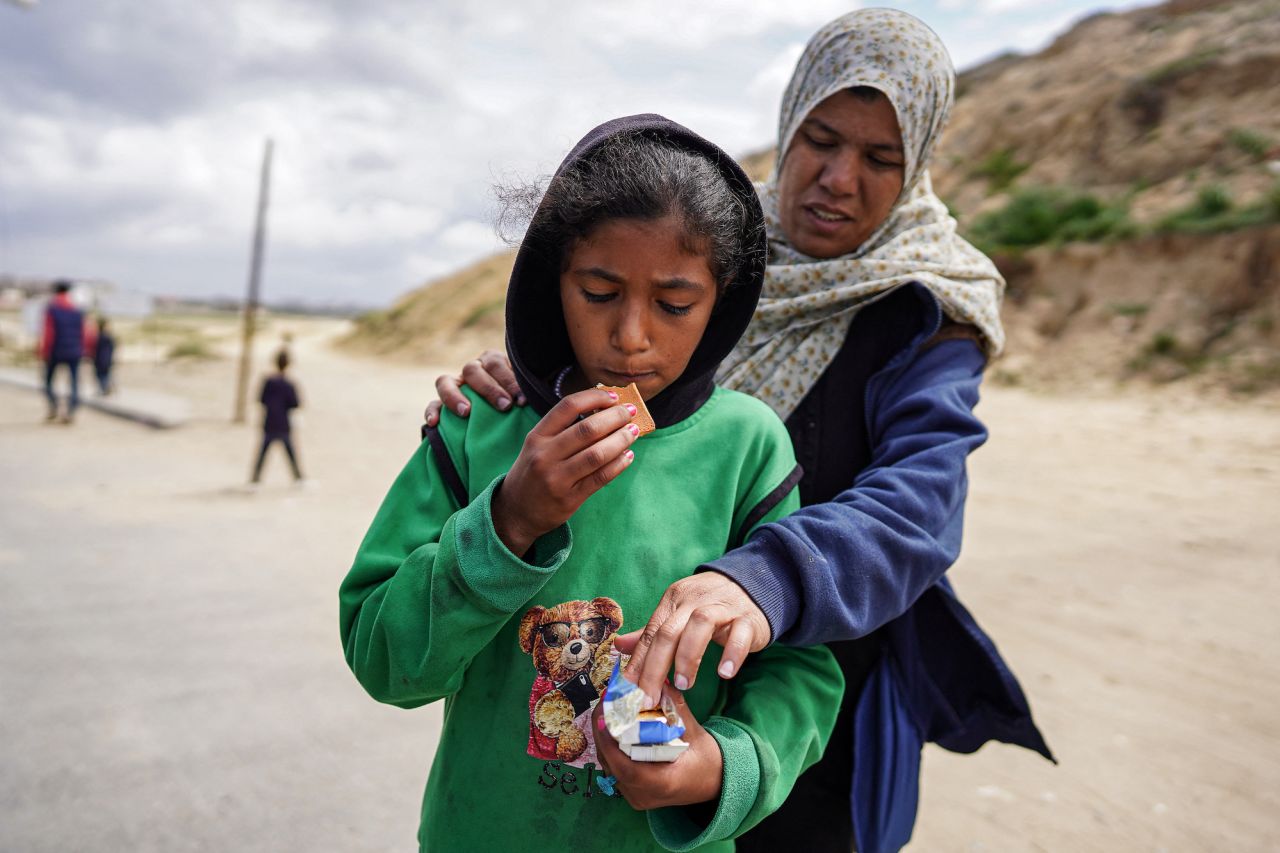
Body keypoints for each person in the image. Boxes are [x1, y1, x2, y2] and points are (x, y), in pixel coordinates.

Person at [422, 10, 1053, 852]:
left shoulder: (929, 308)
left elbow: (919, 508)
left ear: (919, 164)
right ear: (788, 124)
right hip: (636, 685)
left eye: (880, 158)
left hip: (809, 687)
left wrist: (764, 579)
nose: (837, 178)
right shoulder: (711, 252)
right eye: (821, 140)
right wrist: (522, 389)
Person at [339, 115, 843, 852]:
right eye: (599, 291)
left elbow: (798, 669)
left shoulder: (747, 447)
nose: (631, 336)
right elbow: (383, 658)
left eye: (675, 304)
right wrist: (508, 520)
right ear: (554, 281)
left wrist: (718, 766)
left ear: (723, 297)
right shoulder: (480, 424)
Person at [249, 350, 303, 485]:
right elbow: (295, 404)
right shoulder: (289, 383)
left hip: (269, 421)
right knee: (290, 453)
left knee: (263, 453)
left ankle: (255, 479)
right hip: (283, 423)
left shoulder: (268, 381)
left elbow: (261, 399)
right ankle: (298, 478)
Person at [39, 280, 85, 424]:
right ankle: (70, 410)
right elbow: (84, 333)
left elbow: (48, 333)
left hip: (55, 350)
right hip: (74, 351)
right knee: (74, 382)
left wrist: (44, 351)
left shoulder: (52, 309)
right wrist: (83, 350)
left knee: (48, 381)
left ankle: (54, 405)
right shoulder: (77, 310)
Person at [92, 317, 116, 396]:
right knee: (105, 375)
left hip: (101, 359)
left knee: (102, 375)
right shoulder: (108, 337)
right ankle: (106, 388)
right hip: (106, 358)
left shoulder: (100, 337)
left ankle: (105, 388)